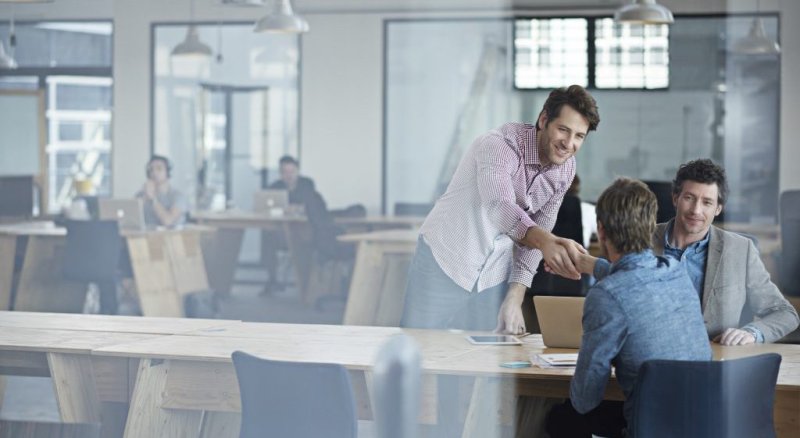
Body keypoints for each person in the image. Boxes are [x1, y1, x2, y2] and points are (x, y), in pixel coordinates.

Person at [401, 85, 600, 333]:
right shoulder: (499, 145)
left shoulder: (565, 170)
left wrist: (515, 297)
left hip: (492, 276)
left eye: (579, 136)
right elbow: (499, 206)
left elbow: (539, 233)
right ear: (543, 119)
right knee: (415, 349)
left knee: (473, 362)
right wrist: (545, 241)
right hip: (445, 261)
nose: (569, 144)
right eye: (563, 130)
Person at [546, 178, 711, 438]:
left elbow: (585, 398)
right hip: (701, 423)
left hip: (647, 428)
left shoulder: (607, 295)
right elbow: (635, 274)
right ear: (650, 227)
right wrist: (586, 263)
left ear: (601, 230)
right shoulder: (674, 270)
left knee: (558, 419)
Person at [583, 159, 799, 345]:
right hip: (647, 357)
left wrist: (752, 333)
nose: (696, 210)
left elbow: (784, 313)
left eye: (707, 202)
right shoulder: (641, 239)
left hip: (712, 362)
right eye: (689, 198)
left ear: (718, 208)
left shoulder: (740, 251)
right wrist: (585, 263)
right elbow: (617, 281)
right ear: (676, 198)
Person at [136, 155, 187, 228]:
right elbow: (130, 220)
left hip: (170, 237)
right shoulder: (141, 195)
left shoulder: (178, 196)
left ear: (168, 172)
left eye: (159, 169)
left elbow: (168, 221)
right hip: (144, 237)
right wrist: (144, 198)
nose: (154, 173)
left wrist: (153, 199)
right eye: (151, 170)